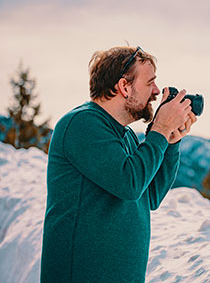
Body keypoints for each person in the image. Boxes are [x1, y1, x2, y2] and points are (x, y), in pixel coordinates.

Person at [40, 46, 197, 282]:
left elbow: (150, 195)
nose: (156, 91)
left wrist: (171, 141)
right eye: (150, 83)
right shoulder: (81, 124)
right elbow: (129, 183)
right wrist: (160, 129)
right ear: (124, 87)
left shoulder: (125, 136)